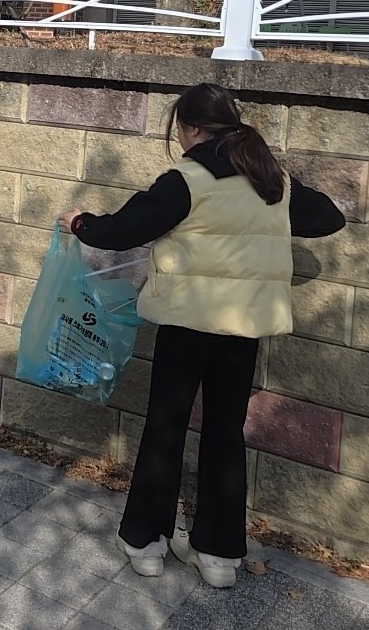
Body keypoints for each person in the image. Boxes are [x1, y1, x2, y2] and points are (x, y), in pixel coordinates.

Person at [58, 83, 345, 589]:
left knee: (166, 426)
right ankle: (218, 555)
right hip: (244, 325)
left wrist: (79, 222)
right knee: (225, 431)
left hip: (188, 323)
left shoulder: (187, 180)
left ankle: (145, 542)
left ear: (190, 128)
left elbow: (122, 230)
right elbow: (329, 217)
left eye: (179, 130)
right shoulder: (271, 180)